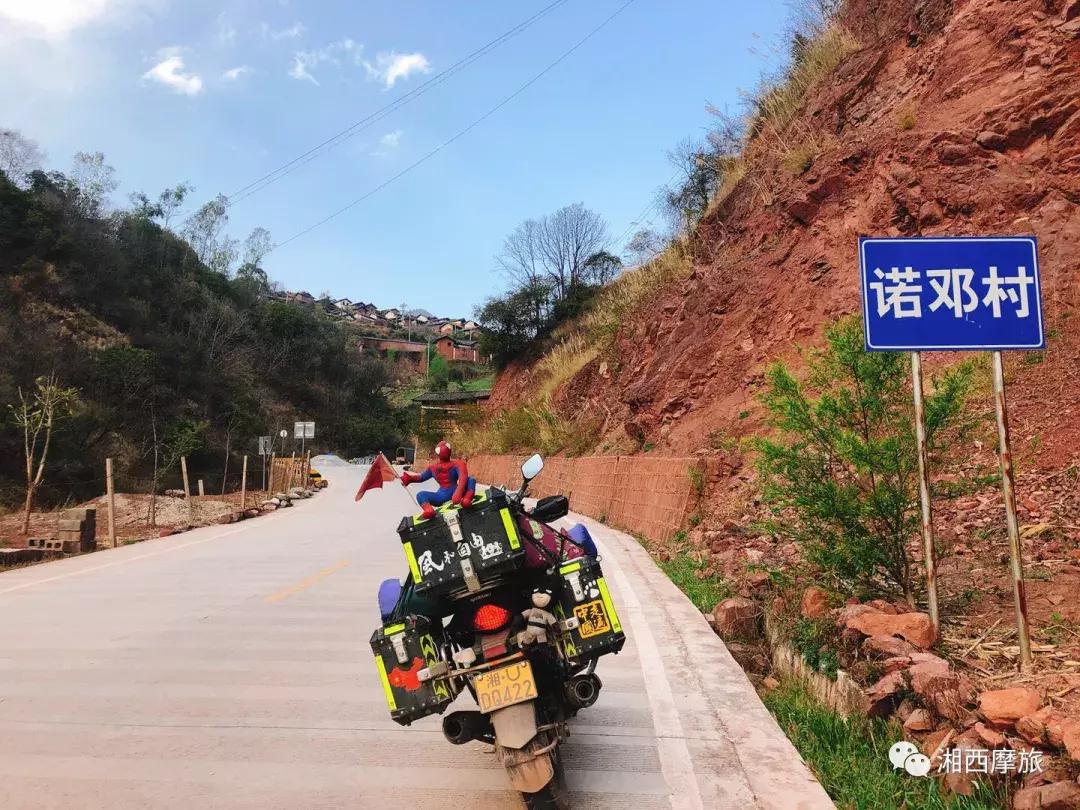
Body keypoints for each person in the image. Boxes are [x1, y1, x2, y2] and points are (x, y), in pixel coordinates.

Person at [400, 440, 476, 519]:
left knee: (421, 495)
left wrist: (409, 479)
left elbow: (421, 477)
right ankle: (467, 499)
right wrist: (458, 493)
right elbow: (463, 477)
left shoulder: (433, 468)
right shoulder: (458, 464)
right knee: (471, 479)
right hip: (455, 493)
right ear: (450, 451)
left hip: (441, 497)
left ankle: (428, 510)